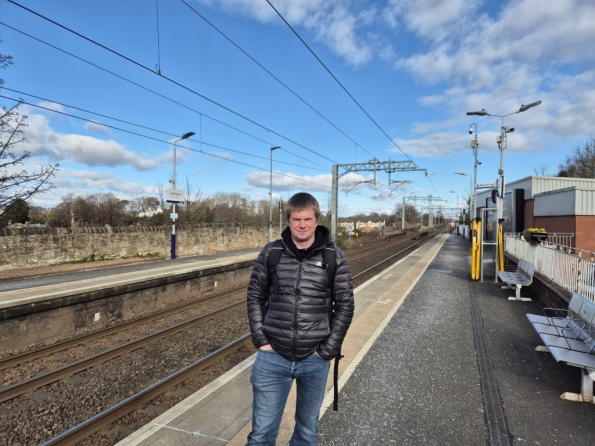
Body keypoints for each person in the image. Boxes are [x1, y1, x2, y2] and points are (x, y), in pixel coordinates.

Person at [246, 192, 355, 446]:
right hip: (272, 356)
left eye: (307, 219)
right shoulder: (271, 252)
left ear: (317, 220)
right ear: (289, 220)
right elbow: (254, 296)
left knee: (307, 432)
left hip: (315, 358)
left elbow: (346, 305)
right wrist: (262, 340)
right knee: (261, 434)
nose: (302, 224)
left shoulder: (333, 256)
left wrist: (327, 349)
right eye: (296, 219)